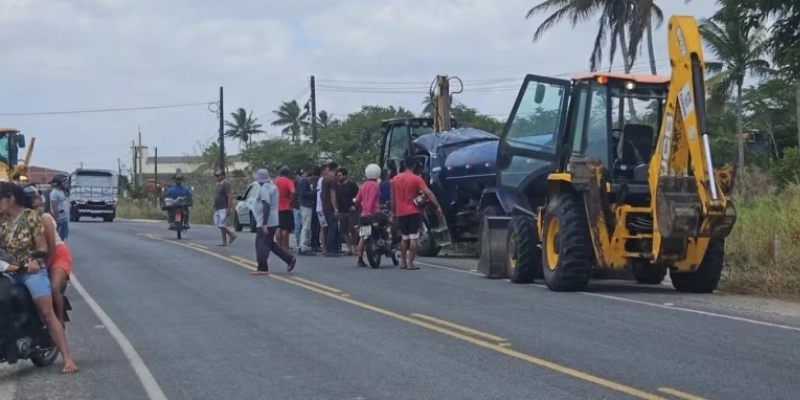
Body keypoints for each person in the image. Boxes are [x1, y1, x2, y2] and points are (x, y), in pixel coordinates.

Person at [0, 182, 77, 373]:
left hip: (31, 272)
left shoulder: (31, 217)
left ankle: (67, 358)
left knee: (47, 313)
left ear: (11, 199)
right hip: (9, 271)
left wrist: (35, 261)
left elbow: (42, 246)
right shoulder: (1, 220)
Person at [27, 186, 72, 328]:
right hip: (42, 256)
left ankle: (59, 322)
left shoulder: (45, 219)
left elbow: (51, 246)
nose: (39, 209)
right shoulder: (26, 221)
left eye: (41, 205)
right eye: (35, 207)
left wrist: (46, 265)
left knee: (53, 287)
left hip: (58, 254)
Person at [391, 156, 443, 270]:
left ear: (404, 165)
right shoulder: (416, 179)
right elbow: (428, 193)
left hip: (401, 212)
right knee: (413, 238)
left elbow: (392, 198)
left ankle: (403, 263)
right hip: (414, 212)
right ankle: (410, 264)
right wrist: (437, 206)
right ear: (414, 166)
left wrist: (393, 213)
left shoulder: (395, 179)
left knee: (404, 238)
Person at [250, 169, 296, 275]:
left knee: (261, 244)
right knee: (269, 243)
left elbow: (266, 205)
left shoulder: (265, 188)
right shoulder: (272, 186)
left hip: (266, 220)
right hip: (272, 219)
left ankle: (262, 267)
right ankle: (289, 259)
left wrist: (264, 223)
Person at [354, 164, 382, 267]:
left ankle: (360, 258)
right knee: (381, 226)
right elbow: (372, 199)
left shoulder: (363, 186)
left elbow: (357, 201)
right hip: (374, 214)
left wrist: (362, 209)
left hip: (364, 215)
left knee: (363, 236)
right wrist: (369, 211)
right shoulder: (375, 185)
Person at [336, 168, 359, 256]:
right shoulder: (337, 187)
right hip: (342, 210)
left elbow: (358, 197)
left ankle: (355, 246)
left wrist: (355, 206)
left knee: (353, 229)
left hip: (351, 210)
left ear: (345, 175)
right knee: (344, 230)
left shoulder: (352, 185)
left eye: (340, 175)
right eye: (337, 175)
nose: (338, 177)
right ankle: (349, 248)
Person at [320, 162, 340, 257]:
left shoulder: (324, 179)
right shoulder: (332, 180)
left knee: (327, 227)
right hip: (331, 207)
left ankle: (328, 248)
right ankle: (331, 248)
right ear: (336, 168)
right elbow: (333, 194)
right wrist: (336, 208)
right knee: (333, 227)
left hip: (324, 205)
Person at [212, 170, 237, 246]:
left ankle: (230, 236)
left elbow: (229, 196)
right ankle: (226, 239)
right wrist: (213, 204)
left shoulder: (226, 184)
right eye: (216, 176)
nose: (216, 177)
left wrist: (229, 208)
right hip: (218, 207)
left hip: (224, 207)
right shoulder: (218, 184)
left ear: (223, 176)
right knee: (218, 223)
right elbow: (217, 195)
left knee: (222, 224)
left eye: (218, 176)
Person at [274, 166, 295, 251]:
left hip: (277, 207)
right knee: (285, 228)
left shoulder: (276, 182)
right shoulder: (288, 181)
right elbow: (293, 191)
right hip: (286, 207)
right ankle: (285, 246)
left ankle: (279, 245)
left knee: (278, 227)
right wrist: (291, 200)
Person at [295, 165, 315, 255]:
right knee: (306, 226)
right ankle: (303, 246)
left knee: (306, 226)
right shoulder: (304, 180)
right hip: (305, 205)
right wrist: (314, 191)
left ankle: (303, 245)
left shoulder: (304, 179)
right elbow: (303, 194)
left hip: (305, 204)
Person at [48, 175, 70, 241]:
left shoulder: (61, 192)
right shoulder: (54, 193)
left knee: (63, 237)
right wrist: (57, 218)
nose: (65, 184)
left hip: (64, 218)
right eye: (63, 182)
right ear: (59, 183)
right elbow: (54, 206)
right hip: (60, 219)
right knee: (59, 238)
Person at [315, 165, 329, 255]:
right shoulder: (323, 180)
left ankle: (325, 247)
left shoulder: (321, 180)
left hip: (321, 207)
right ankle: (324, 248)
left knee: (324, 227)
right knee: (323, 227)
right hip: (322, 207)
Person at [309, 166, 322, 252]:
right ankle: (315, 242)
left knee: (313, 225)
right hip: (317, 203)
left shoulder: (309, 180)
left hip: (311, 203)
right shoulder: (319, 180)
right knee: (316, 225)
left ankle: (313, 242)